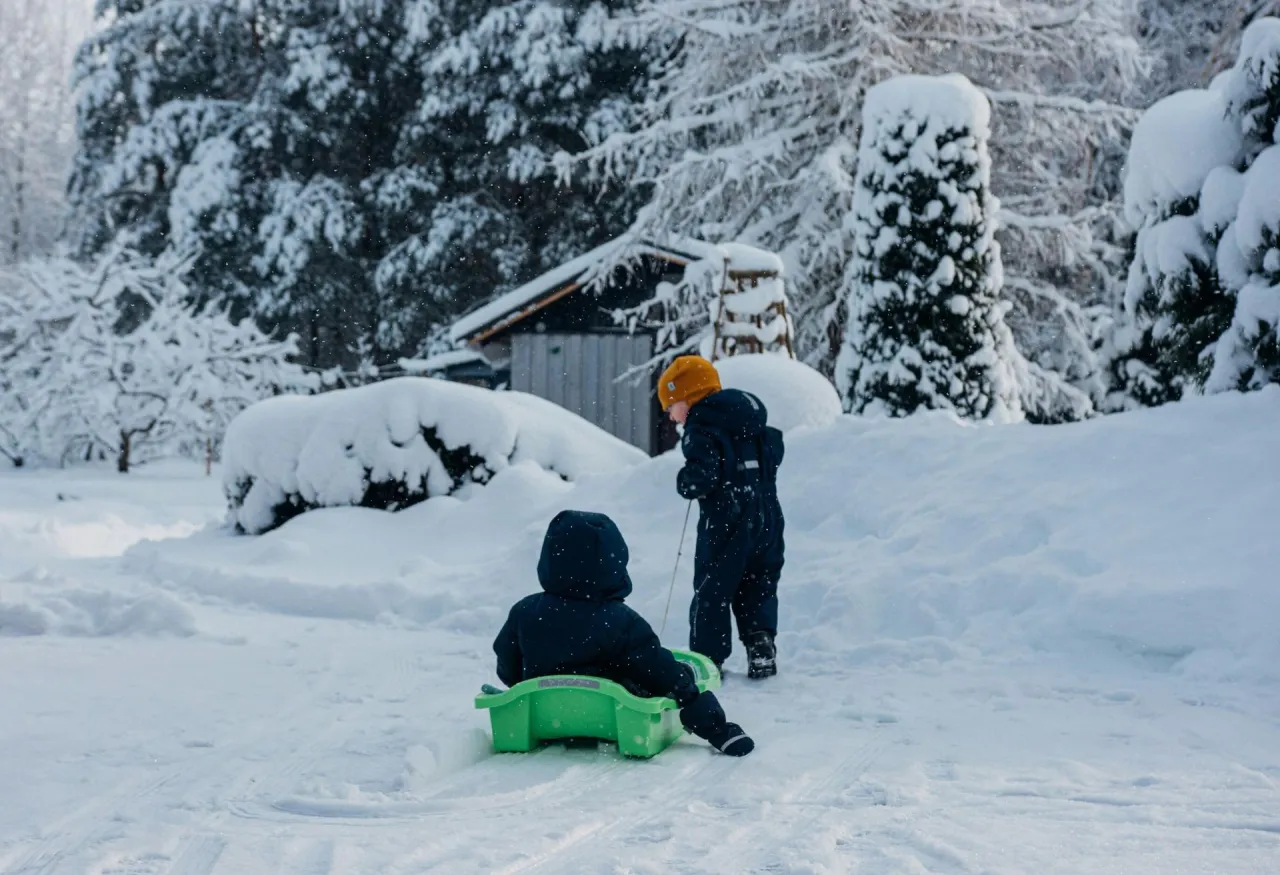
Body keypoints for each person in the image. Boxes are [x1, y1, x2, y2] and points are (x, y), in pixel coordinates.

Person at [492, 509, 755, 757]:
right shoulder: (620, 620)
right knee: (673, 671)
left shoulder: (525, 611)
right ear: (612, 563)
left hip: (545, 716)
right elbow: (659, 670)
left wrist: (524, 685)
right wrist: (712, 722)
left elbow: (507, 663)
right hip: (610, 717)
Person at [658, 355, 784, 679]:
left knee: (712, 588)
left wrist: (686, 481)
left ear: (689, 398)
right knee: (759, 582)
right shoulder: (751, 420)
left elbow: (703, 475)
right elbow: (775, 450)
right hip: (767, 514)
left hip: (727, 517)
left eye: (671, 406)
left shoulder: (701, 427)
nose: (671, 416)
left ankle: (707, 659)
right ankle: (761, 643)